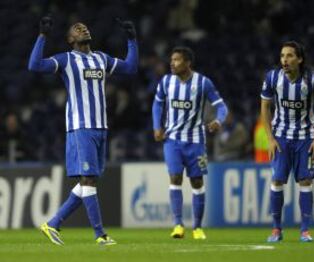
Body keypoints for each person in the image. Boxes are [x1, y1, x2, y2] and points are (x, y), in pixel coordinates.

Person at [28, 16, 138, 245]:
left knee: (89, 182)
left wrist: (132, 40)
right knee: (87, 179)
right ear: (70, 39)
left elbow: (130, 68)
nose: (82, 28)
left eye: (84, 27)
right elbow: (34, 65)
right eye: (77, 29)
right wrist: (42, 36)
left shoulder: (101, 58)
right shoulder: (67, 60)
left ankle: (53, 224)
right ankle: (100, 234)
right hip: (81, 126)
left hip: (101, 127)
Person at [152, 46, 228, 240]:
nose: (172, 63)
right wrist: (156, 127)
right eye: (172, 59)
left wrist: (218, 120)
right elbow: (157, 103)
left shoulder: (203, 83)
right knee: (175, 178)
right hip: (172, 140)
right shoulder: (166, 82)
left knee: (197, 181)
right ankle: (178, 225)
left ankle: (197, 227)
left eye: (177, 60)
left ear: (187, 63)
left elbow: (221, 106)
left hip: (196, 142)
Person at [260, 41, 314, 242]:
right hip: (281, 138)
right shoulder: (272, 78)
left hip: (306, 138)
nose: (285, 60)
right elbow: (265, 107)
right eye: (282, 55)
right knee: (277, 180)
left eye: (290, 56)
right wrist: (270, 138)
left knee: (305, 181)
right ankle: (276, 230)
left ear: (299, 59)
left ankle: (305, 231)